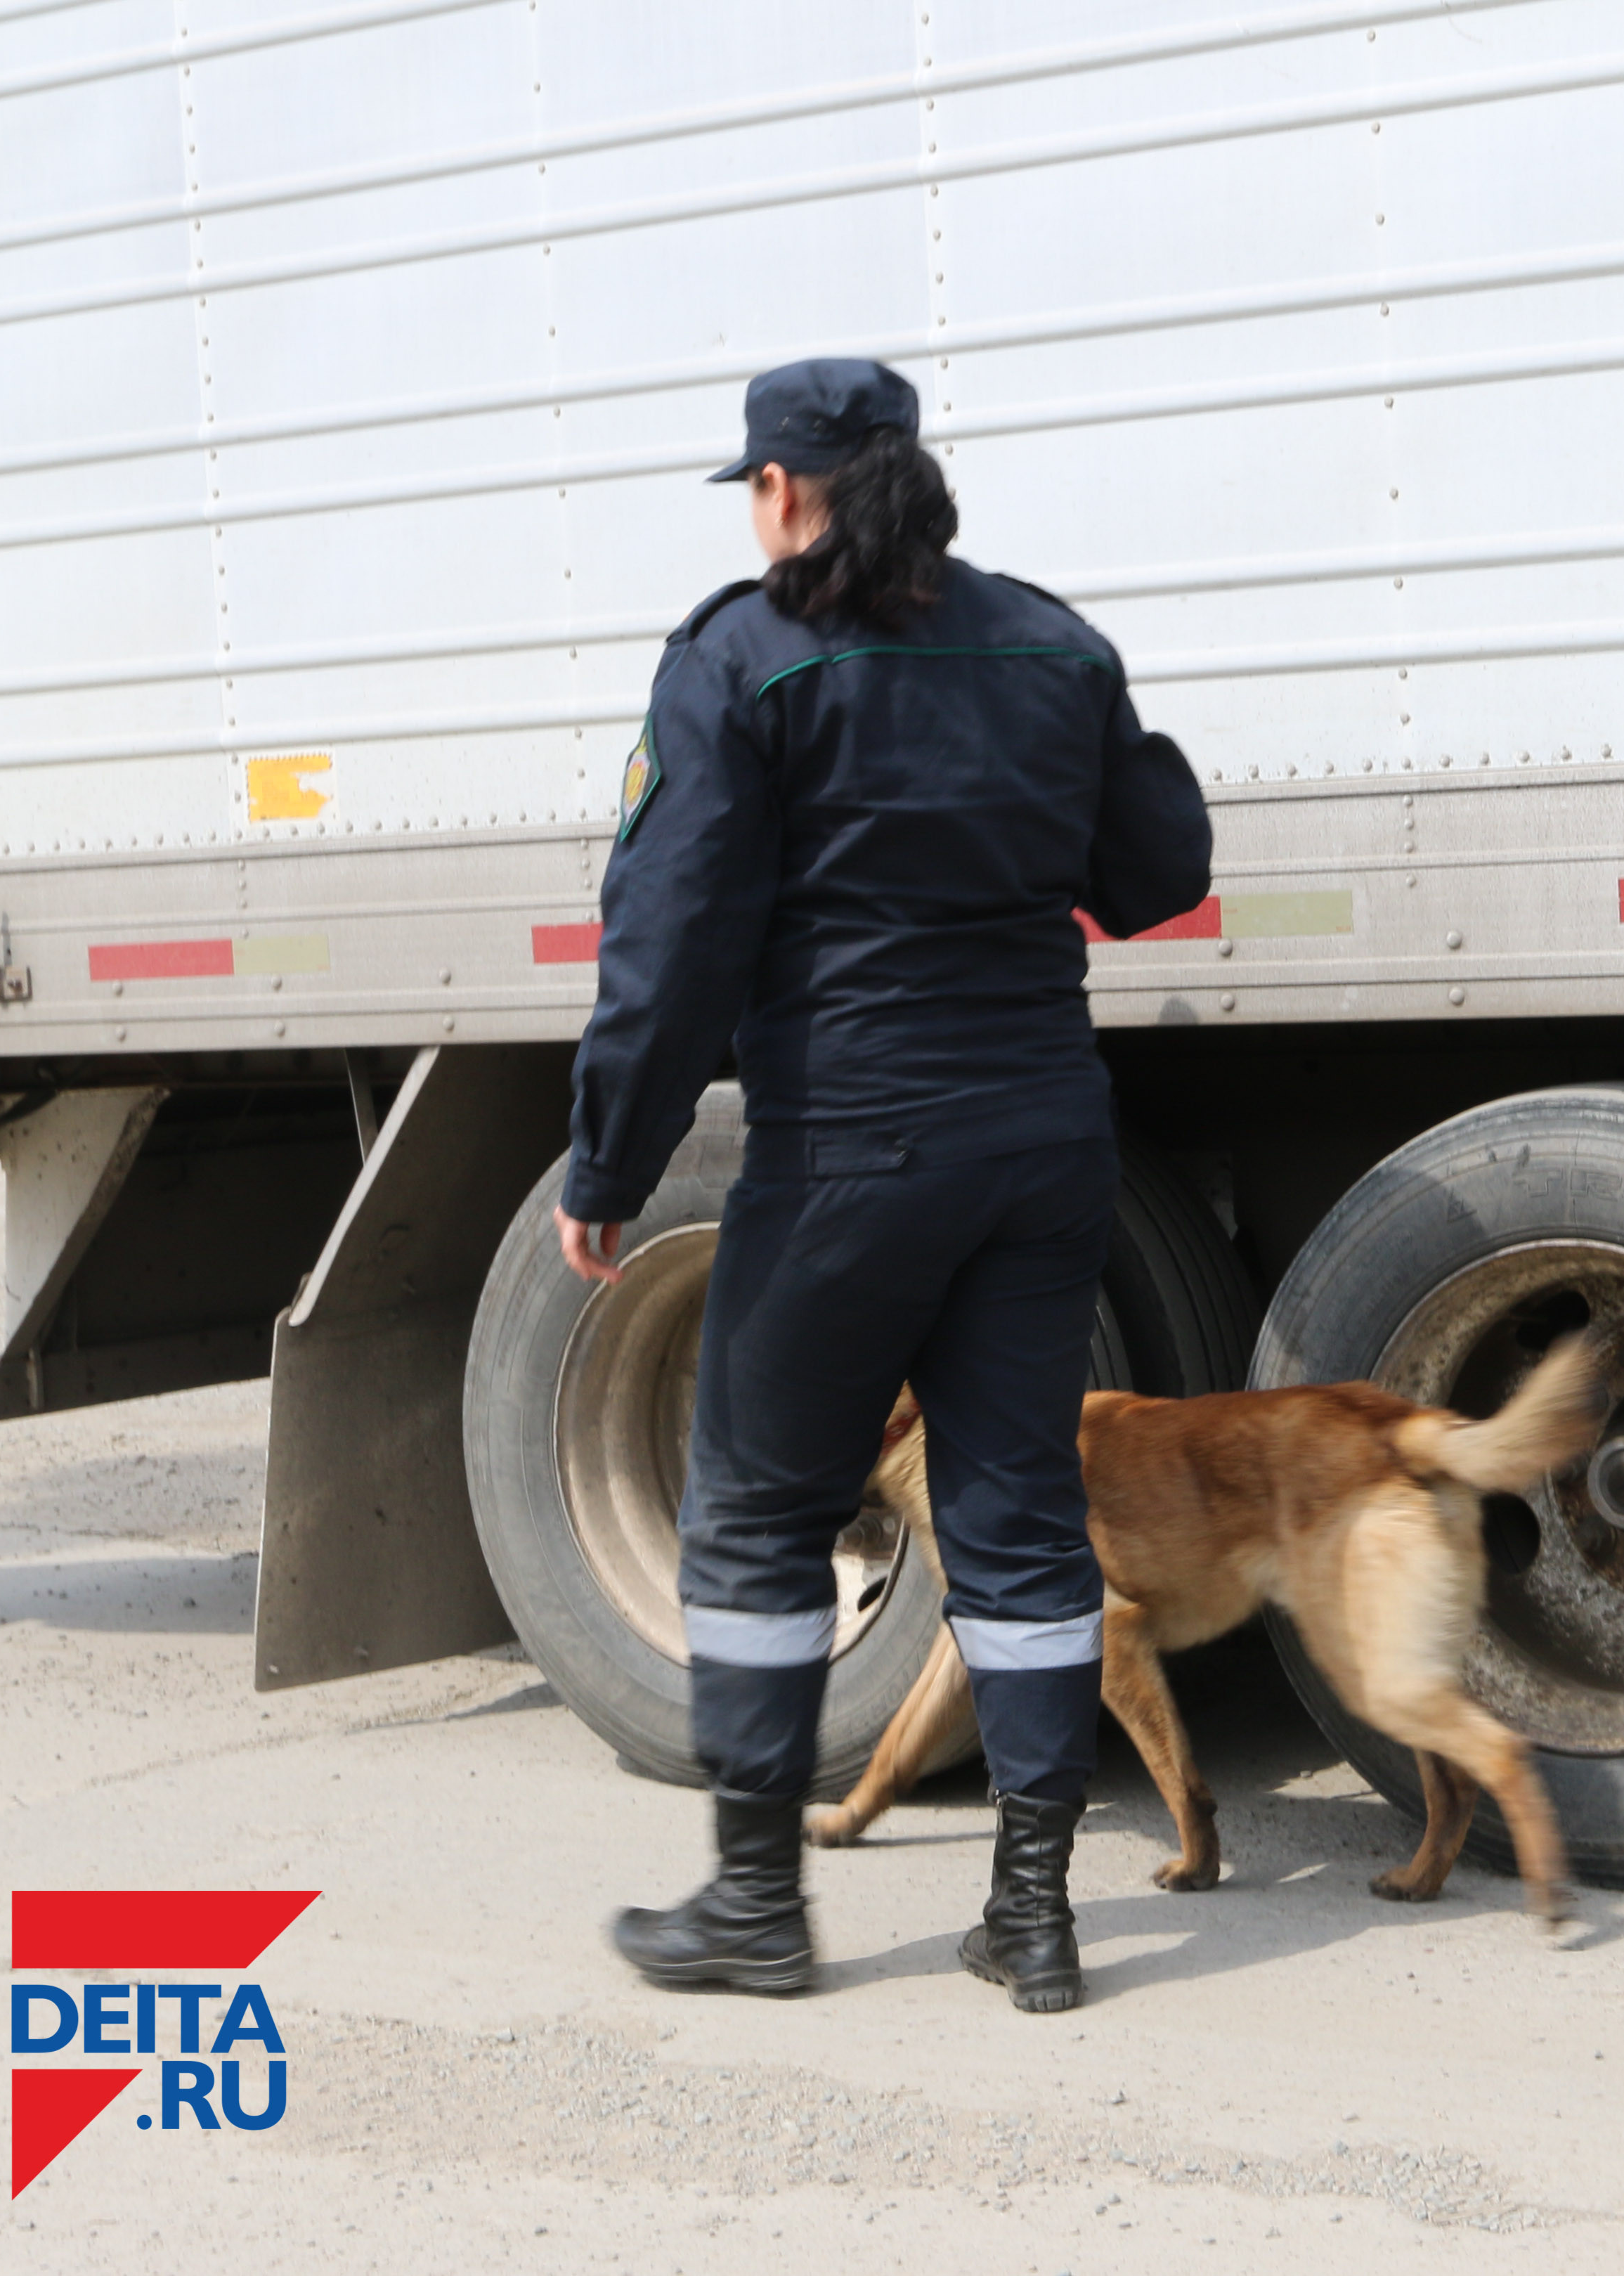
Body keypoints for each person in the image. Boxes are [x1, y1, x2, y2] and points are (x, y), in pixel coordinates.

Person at [555, 357, 1211, 2012]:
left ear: (780, 492)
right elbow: (1158, 873)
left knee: (761, 1510)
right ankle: (1037, 1914)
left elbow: (675, 937)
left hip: (853, 1152)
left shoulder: (745, 657)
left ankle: (759, 1907)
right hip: (1045, 1148)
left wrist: (607, 1157)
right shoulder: (1052, 643)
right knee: (1016, 1519)